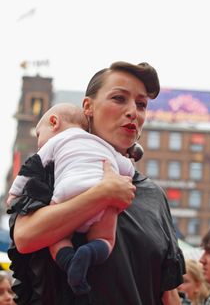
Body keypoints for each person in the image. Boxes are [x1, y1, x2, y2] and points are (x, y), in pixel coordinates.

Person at [8, 61, 185, 305]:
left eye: (141, 104)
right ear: (88, 107)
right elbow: (26, 238)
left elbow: (168, 293)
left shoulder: (153, 195)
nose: (133, 111)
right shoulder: (51, 170)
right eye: (119, 98)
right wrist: (102, 195)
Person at [7, 102, 135, 295]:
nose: (39, 142)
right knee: (106, 239)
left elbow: (29, 169)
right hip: (105, 192)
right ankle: (89, 253)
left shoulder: (55, 142)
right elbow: (128, 169)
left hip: (67, 191)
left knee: (58, 238)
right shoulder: (104, 146)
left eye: (39, 135)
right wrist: (124, 180)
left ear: (54, 122)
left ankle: (69, 262)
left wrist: (14, 194)